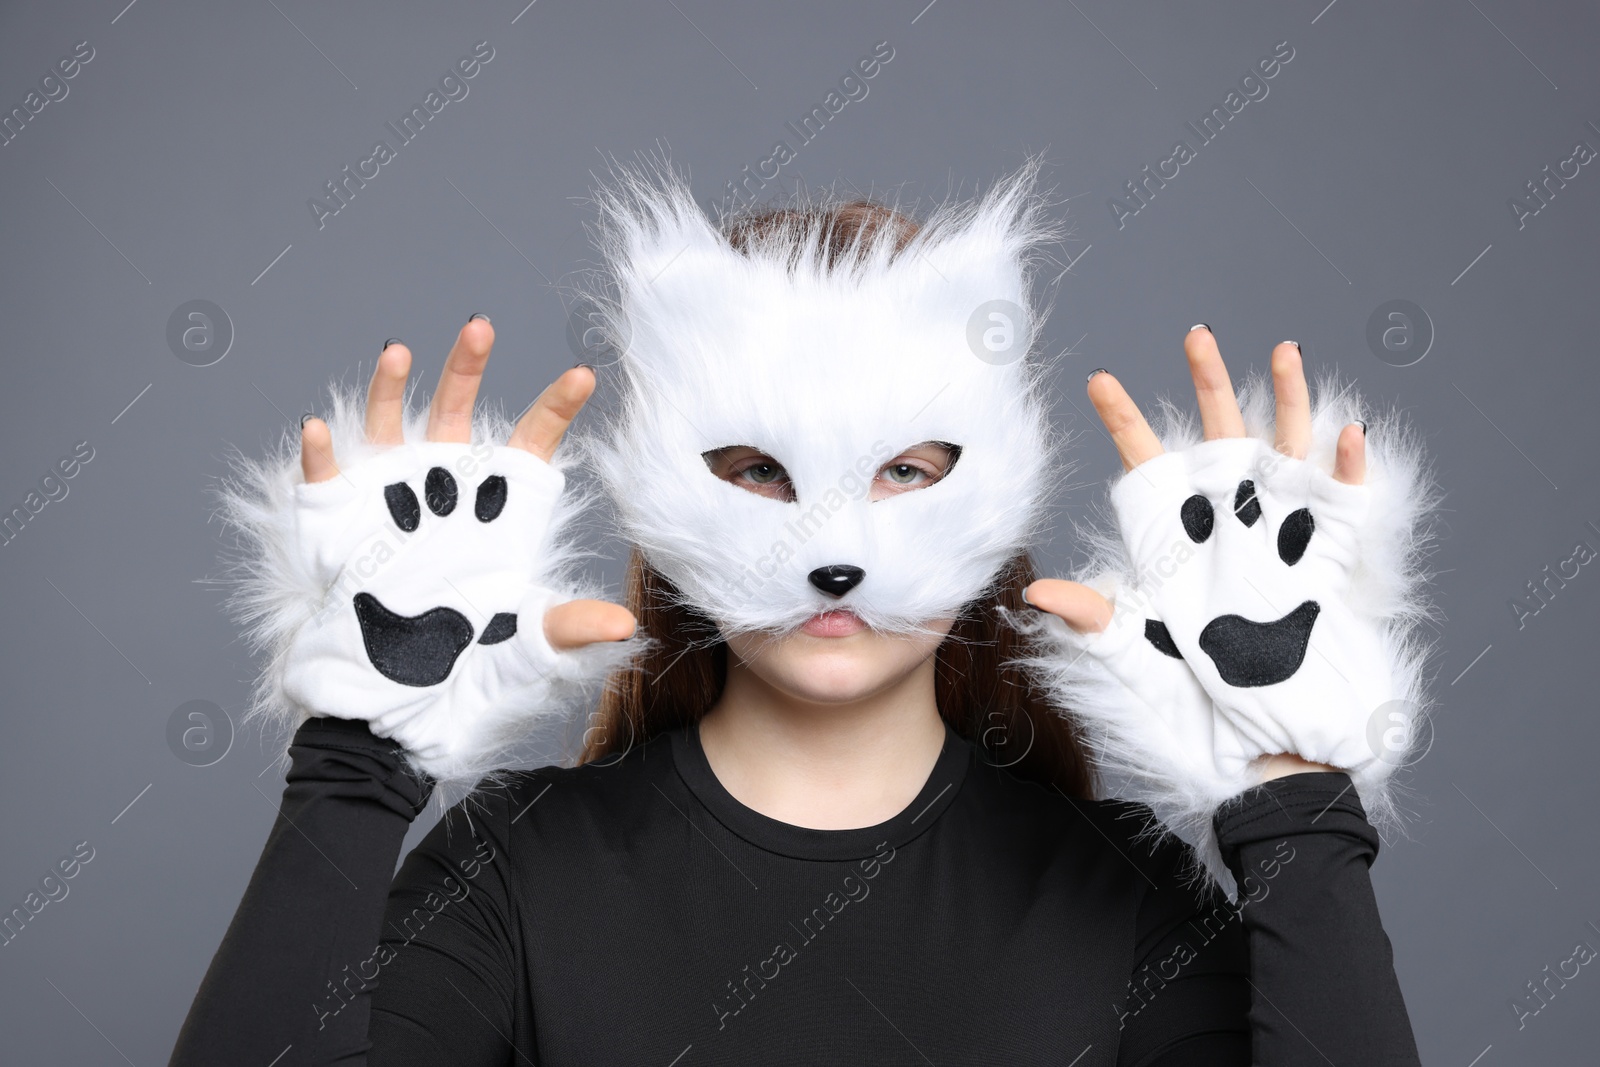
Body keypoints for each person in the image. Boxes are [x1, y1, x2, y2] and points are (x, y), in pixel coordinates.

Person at [171, 158, 1431, 1065]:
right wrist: (355, 752)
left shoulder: (1120, 895)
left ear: (988, 497)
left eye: (907, 472)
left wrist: (1292, 798)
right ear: (666, 495)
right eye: (757, 472)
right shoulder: (519, 870)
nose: (835, 546)